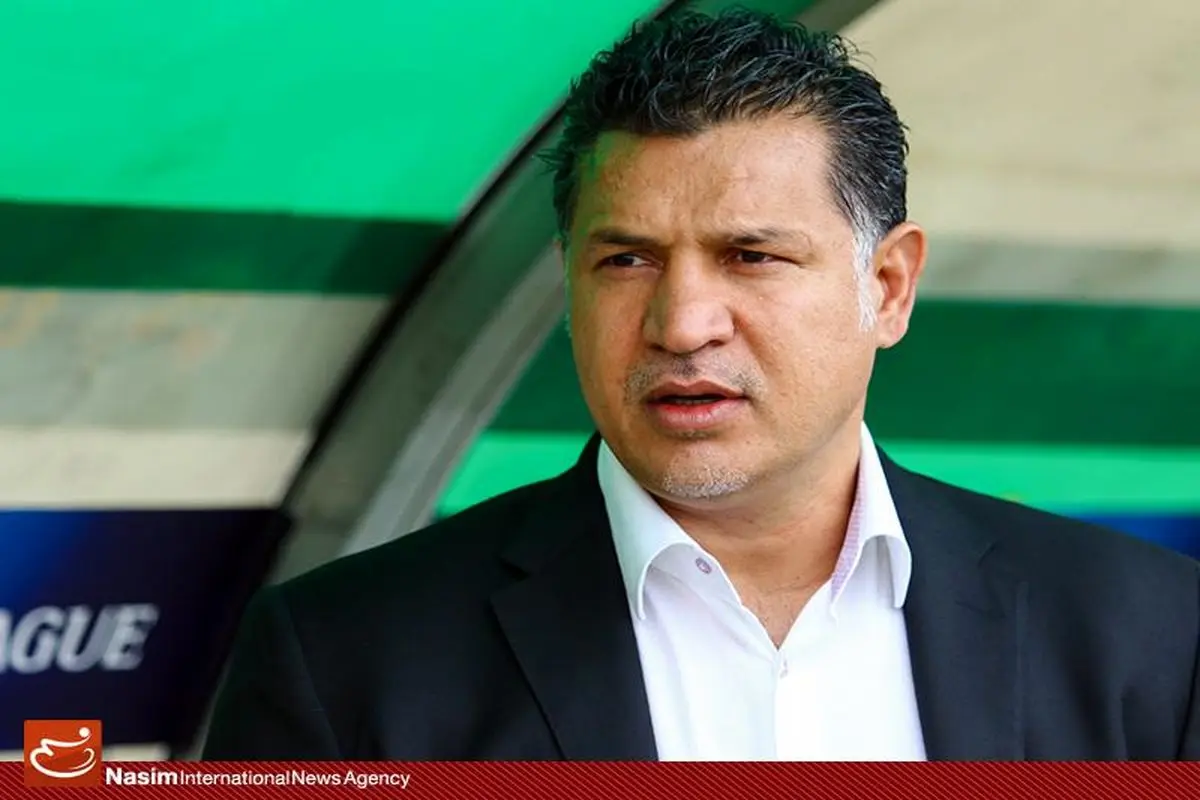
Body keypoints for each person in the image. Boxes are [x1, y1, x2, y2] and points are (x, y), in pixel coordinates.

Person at [202, 8, 1200, 761]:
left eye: (752, 256)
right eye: (626, 260)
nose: (681, 324)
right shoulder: (348, 656)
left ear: (889, 286)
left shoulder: (1144, 633)